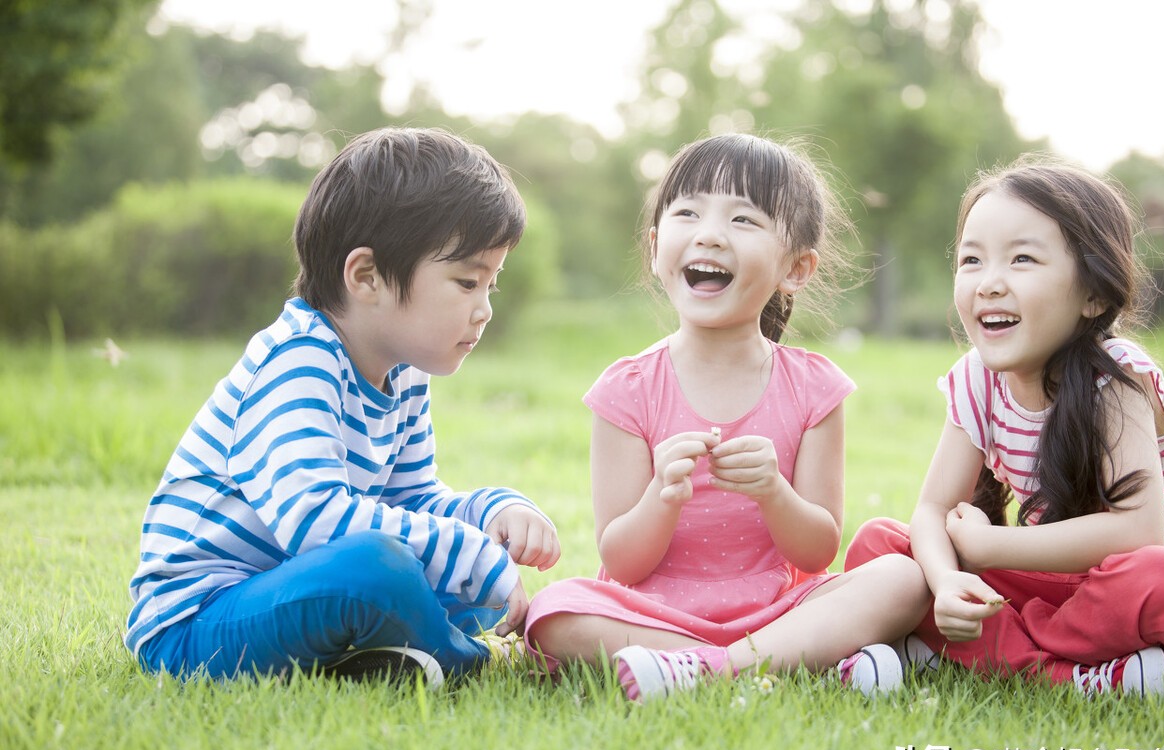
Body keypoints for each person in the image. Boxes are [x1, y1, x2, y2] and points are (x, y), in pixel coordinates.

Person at [125, 128, 560, 687]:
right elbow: (315, 519)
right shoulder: (297, 362)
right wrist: (470, 554)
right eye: (467, 282)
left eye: (491, 287)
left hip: (289, 590)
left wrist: (489, 516)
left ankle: (387, 655)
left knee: (444, 583)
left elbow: (413, 499)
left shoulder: (402, 372)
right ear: (366, 277)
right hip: (197, 623)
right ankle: (460, 662)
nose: (484, 311)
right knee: (378, 569)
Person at [525, 133, 931, 701]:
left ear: (796, 268)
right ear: (654, 247)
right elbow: (621, 560)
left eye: (743, 219)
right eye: (687, 212)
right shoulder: (628, 389)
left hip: (777, 607)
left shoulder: (814, 388)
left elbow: (817, 553)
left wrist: (774, 493)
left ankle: (709, 669)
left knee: (904, 580)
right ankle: (797, 662)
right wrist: (661, 498)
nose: (709, 233)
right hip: (656, 612)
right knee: (552, 613)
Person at [847, 157, 1164, 697]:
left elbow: (1137, 534)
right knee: (878, 549)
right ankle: (1083, 676)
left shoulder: (1117, 377)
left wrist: (989, 550)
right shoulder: (975, 380)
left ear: (1093, 295)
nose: (989, 283)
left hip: (1145, 599)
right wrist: (945, 585)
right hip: (1059, 589)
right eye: (971, 259)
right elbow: (933, 511)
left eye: (1022, 259)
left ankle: (992, 655)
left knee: (1163, 578)